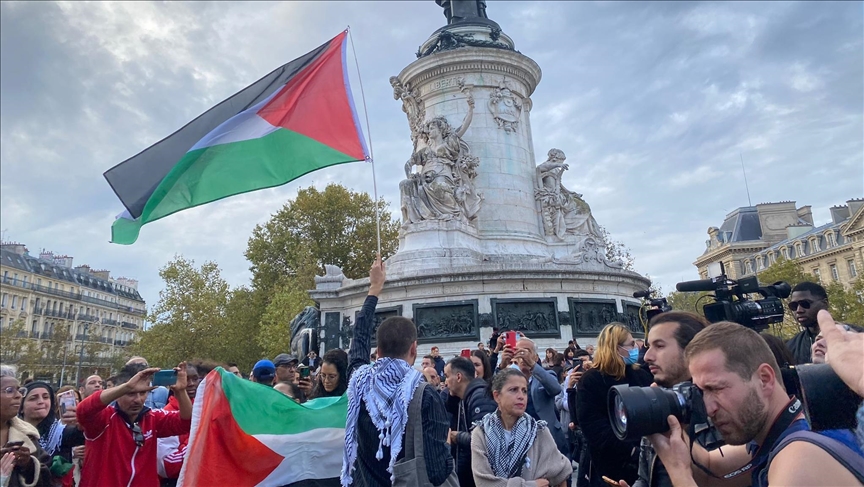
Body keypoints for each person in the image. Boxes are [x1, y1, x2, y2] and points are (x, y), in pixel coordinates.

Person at [647, 321, 863, 487]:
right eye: (700, 391)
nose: (709, 408)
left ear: (765, 379)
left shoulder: (798, 459)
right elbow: (711, 472)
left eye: (716, 389)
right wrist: (666, 424)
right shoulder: (787, 427)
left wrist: (679, 474)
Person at [342, 313, 454, 487]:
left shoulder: (359, 383)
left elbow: (357, 350)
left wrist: (373, 293)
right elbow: (437, 472)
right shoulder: (427, 396)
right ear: (414, 349)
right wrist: (446, 443)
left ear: (378, 351)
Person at [617, 311, 709, 487]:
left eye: (659, 346)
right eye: (648, 346)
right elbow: (645, 477)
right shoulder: (656, 404)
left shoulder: (721, 409)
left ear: (691, 350)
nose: (647, 356)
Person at [76, 362, 192, 487]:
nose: (138, 399)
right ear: (118, 392)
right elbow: (83, 410)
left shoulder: (152, 418)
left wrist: (180, 392)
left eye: (143, 393)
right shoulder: (103, 419)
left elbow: (187, 422)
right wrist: (126, 387)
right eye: (131, 393)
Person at [576, 323, 653, 486]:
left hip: (647, 462)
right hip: (611, 468)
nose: (635, 348)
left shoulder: (640, 374)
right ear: (615, 348)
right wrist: (631, 451)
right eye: (631, 344)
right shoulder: (591, 380)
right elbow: (594, 427)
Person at [471, 368, 572, 487]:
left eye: (524, 391)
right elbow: (483, 483)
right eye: (513, 390)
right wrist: (530, 485)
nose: (521, 396)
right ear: (497, 396)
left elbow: (560, 476)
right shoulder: (481, 432)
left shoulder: (539, 431)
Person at [503, 337, 569, 457]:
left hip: (548, 436)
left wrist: (533, 366)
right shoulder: (511, 380)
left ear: (536, 357)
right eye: (519, 350)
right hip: (521, 438)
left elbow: (555, 388)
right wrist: (502, 365)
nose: (523, 354)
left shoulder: (546, 374)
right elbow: (494, 393)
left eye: (527, 351)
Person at [444, 357, 497, 487]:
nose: (445, 382)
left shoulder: (480, 397)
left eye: (446, 376)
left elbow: (485, 440)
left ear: (458, 377)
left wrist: (457, 437)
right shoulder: (465, 397)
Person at [18, 381, 83, 482]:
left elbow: (82, 436)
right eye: (33, 398)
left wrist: (81, 423)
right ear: (21, 407)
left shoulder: (60, 431)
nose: (41, 401)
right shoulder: (13, 431)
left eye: (45, 397)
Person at [1, 365, 52, 487]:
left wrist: (29, 465)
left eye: (19, 390)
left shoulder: (28, 435)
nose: (18, 395)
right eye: (9, 390)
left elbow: (47, 480)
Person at [157, 362, 202, 487]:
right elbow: (167, 466)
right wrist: (200, 437)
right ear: (173, 383)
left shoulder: (203, 410)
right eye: (186, 379)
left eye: (195, 378)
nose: (192, 383)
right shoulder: (165, 414)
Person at [785, 281, 828, 365]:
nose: (799, 310)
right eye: (794, 306)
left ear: (824, 304)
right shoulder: (790, 347)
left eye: (805, 304)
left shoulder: (853, 336)